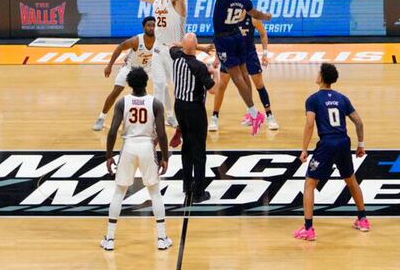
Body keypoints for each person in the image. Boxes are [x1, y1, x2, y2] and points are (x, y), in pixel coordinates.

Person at [191, 0, 272, 135]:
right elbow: (256, 14)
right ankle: (252, 111)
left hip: (224, 38)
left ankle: (254, 113)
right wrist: (267, 16)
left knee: (236, 78)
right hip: (237, 37)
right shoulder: (244, 0)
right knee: (244, 74)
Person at [112, 0, 188, 128]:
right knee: (159, 86)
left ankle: (176, 116)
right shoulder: (156, 0)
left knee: (179, 89)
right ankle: (157, 120)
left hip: (175, 51)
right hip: (158, 50)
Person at [294, 63, 370, 241]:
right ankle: (363, 219)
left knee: (310, 184)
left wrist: (304, 149)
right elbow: (359, 122)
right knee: (351, 181)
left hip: (327, 144)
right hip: (343, 142)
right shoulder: (342, 98)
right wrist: (361, 145)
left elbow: (310, 124)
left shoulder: (313, 99)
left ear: (321, 77)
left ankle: (308, 228)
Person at [102, 67, 172, 251]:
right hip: (147, 147)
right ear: (146, 82)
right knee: (155, 192)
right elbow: (162, 134)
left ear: (129, 84)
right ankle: (162, 238)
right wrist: (165, 157)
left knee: (119, 192)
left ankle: (109, 239)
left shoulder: (122, 103)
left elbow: (112, 132)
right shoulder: (155, 103)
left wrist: (109, 156)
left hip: (129, 147)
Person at [170, 33, 220, 203]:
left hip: (179, 107)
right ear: (197, 45)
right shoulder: (199, 67)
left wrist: (190, 46)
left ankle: (186, 185)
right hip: (194, 110)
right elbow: (213, 90)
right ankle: (198, 192)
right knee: (199, 151)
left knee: (187, 148)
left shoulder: (175, 56)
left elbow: (172, 45)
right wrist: (215, 73)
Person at [210, 16, 278, 131]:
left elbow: (263, 33)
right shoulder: (228, 17)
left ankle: (270, 116)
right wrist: (217, 57)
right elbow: (219, 37)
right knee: (222, 85)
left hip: (249, 54)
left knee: (259, 84)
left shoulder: (252, 18)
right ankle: (214, 117)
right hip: (231, 54)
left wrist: (265, 54)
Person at [93, 16, 155, 131]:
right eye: (149, 25)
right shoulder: (136, 40)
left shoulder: (159, 40)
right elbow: (120, 47)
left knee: (159, 89)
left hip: (146, 70)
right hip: (130, 68)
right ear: (144, 27)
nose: (151, 28)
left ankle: (157, 120)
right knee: (116, 91)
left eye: (153, 25)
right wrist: (109, 65)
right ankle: (101, 118)